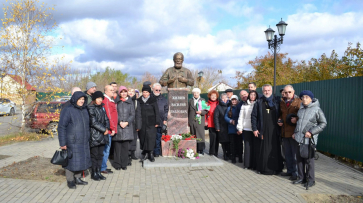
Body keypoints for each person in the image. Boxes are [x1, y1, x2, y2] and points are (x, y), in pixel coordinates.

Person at [293, 90, 327, 187]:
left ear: (311, 99)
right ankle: (301, 178)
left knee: (309, 160)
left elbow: (323, 123)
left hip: (309, 139)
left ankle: (311, 180)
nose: (304, 99)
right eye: (303, 97)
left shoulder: (317, 110)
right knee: (299, 159)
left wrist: (311, 132)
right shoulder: (301, 109)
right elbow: (299, 123)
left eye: (306, 97)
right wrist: (295, 133)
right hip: (299, 138)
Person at [58, 91, 91, 189]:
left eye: (83, 99)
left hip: (83, 140)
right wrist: (63, 143)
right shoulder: (68, 110)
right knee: (71, 162)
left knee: (81, 160)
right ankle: (70, 180)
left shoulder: (84, 110)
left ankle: (78, 178)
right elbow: (61, 127)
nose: (81, 101)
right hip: (72, 141)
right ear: (75, 99)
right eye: (80, 99)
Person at [252, 84, 284, 175]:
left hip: (275, 129)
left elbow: (282, 113)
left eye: (268, 90)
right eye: (265, 90)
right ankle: (264, 169)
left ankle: (276, 168)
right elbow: (254, 116)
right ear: (262, 91)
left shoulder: (277, 101)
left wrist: (280, 119)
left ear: (271, 91)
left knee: (275, 148)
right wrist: (254, 129)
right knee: (264, 149)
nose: (267, 92)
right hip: (263, 129)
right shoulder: (258, 102)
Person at [278, 85, 301, 180]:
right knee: (287, 154)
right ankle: (289, 171)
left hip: (294, 133)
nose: (287, 94)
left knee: (295, 154)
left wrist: (297, 119)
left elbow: (303, 115)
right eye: (286, 92)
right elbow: (280, 114)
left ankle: (296, 174)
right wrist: (279, 120)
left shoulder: (299, 102)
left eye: (289, 92)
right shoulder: (282, 102)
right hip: (284, 132)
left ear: (293, 92)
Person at [87, 91, 110, 181]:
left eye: (101, 98)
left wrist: (107, 128)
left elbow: (106, 119)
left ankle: (98, 171)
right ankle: (94, 173)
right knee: (94, 155)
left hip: (103, 135)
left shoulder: (101, 107)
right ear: (94, 99)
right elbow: (93, 122)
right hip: (94, 135)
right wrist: (104, 130)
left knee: (100, 155)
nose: (100, 100)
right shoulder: (90, 108)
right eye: (98, 98)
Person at [113, 86, 135, 170]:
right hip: (118, 126)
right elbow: (114, 114)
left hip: (127, 127)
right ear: (119, 93)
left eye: (125, 92)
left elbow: (132, 114)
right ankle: (117, 164)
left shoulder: (130, 102)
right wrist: (119, 122)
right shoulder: (116, 102)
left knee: (125, 148)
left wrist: (127, 122)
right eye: (122, 92)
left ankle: (124, 164)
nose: (123, 93)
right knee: (117, 148)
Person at [237, 90, 258, 169]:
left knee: (255, 147)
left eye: (254, 95)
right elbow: (241, 117)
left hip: (255, 129)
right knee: (247, 146)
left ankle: (254, 164)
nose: (252, 96)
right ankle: (247, 164)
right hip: (246, 128)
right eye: (251, 95)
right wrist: (240, 127)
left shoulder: (258, 104)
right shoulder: (244, 105)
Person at [137, 85, 159, 162]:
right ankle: (144, 152)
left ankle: (151, 153)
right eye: (144, 92)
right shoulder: (139, 101)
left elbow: (156, 111)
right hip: (142, 123)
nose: (145, 93)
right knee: (143, 137)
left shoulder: (153, 100)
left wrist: (157, 121)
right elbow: (138, 112)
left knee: (151, 138)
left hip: (151, 122)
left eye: (147, 92)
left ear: (149, 93)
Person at [101, 85, 117, 175]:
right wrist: (113, 128)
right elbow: (109, 116)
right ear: (106, 91)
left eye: (113, 90)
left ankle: (104, 166)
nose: (113, 91)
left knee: (107, 149)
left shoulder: (110, 100)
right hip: (108, 130)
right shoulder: (106, 101)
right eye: (110, 90)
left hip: (110, 129)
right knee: (106, 149)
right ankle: (102, 167)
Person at [188, 88, 208, 155]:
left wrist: (201, 112)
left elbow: (206, 110)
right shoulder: (190, 101)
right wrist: (188, 121)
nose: (195, 94)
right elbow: (188, 111)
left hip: (200, 121)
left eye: (197, 92)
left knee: (200, 135)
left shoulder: (203, 100)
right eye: (194, 93)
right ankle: (194, 149)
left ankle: (201, 149)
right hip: (192, 121)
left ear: (199, 93)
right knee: (193, 135)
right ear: (193, 93)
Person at [152, 83, 168, 157]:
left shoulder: (164, 99)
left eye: (159, 90)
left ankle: (157, 152)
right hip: (151, 122)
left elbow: (166, 110)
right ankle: (150, 151)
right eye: (156, 90)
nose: (158, 91)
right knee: (151, 138)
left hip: (160, 121)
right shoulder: (149, 98)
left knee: (158, 137)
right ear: (153, 89)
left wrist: (165, 119)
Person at [224, 95, 242, 163]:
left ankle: (240, 157)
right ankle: (233, 158)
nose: (234, 101)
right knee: (232, 144)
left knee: (239, 144)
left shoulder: (240, 107)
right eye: (232, 100)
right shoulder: (229, 108)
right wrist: (230, 121)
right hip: (231, 129)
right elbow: (225, 117)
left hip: (239, 129)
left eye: (235, 100)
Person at [214, 93, 230, 160]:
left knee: (229, 141)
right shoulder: (218, 107)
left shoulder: (230, 105)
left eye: (225, 98)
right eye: (223, 98)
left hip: (229, 126)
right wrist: (217, 127)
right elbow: (216, 117)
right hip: (222, 126)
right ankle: (225, 154)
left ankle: (229, 154)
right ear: (221, 99)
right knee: (223, 141)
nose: (224, 99)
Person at [127, 88, 142, 160]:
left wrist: (138, 125)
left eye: (132, 91)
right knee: (127, 140)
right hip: (126, 124)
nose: (131, 92)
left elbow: (138, 115)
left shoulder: (136, 102)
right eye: (129, 91)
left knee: (134, 139)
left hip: (134, 124)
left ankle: (132, 153)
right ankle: (127, 154)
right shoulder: (124, 101)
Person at [206, 90, 219, 156]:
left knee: (217, 139)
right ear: (210, 96)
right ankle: (211, 152)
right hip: (210, 123)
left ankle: (216, 152)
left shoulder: (219, 103)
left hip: (218, 124)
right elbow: (205, 113)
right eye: (212, 95)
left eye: (215, 96)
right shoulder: (207, 104)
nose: (213, 97)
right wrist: (206, 121)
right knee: (212, 138)